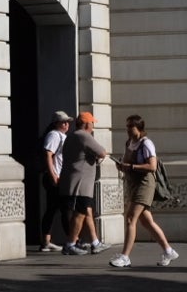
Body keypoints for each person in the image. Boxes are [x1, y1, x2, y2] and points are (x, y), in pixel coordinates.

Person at [109, 114, 178, 268]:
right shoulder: (129, 143)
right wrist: (121, 166)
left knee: (130, 218)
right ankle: (168, 250)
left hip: (145, 184)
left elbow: (152, 166)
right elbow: (127, 162)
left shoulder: (146, 144)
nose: (127, 129)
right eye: (126, 126)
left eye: (130, 127)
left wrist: (132, 167)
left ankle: (125, 257)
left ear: (139, 128)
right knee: (147, 221)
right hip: (133, 184)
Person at [61, 111, 109, 256]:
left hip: (76, 181)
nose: (93, 126)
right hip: (80, 184)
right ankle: (70, 244)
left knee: (86, 211)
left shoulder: (72, 136)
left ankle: (95, 243)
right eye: (92, 123)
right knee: (80, 213)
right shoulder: (84, 136)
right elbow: (102, 152)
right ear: (87, 123)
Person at [38, 110, 73, 253]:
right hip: (55, 177)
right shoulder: (54, 135)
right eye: (63, 122)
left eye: (67, 122)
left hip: (58, 177)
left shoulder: (61, 136)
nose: (66, 124)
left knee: (53, 210)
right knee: (65, 209)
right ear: (56, 123)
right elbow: (48, 154)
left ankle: (47, 242)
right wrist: (53, 175)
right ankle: (72, 241)